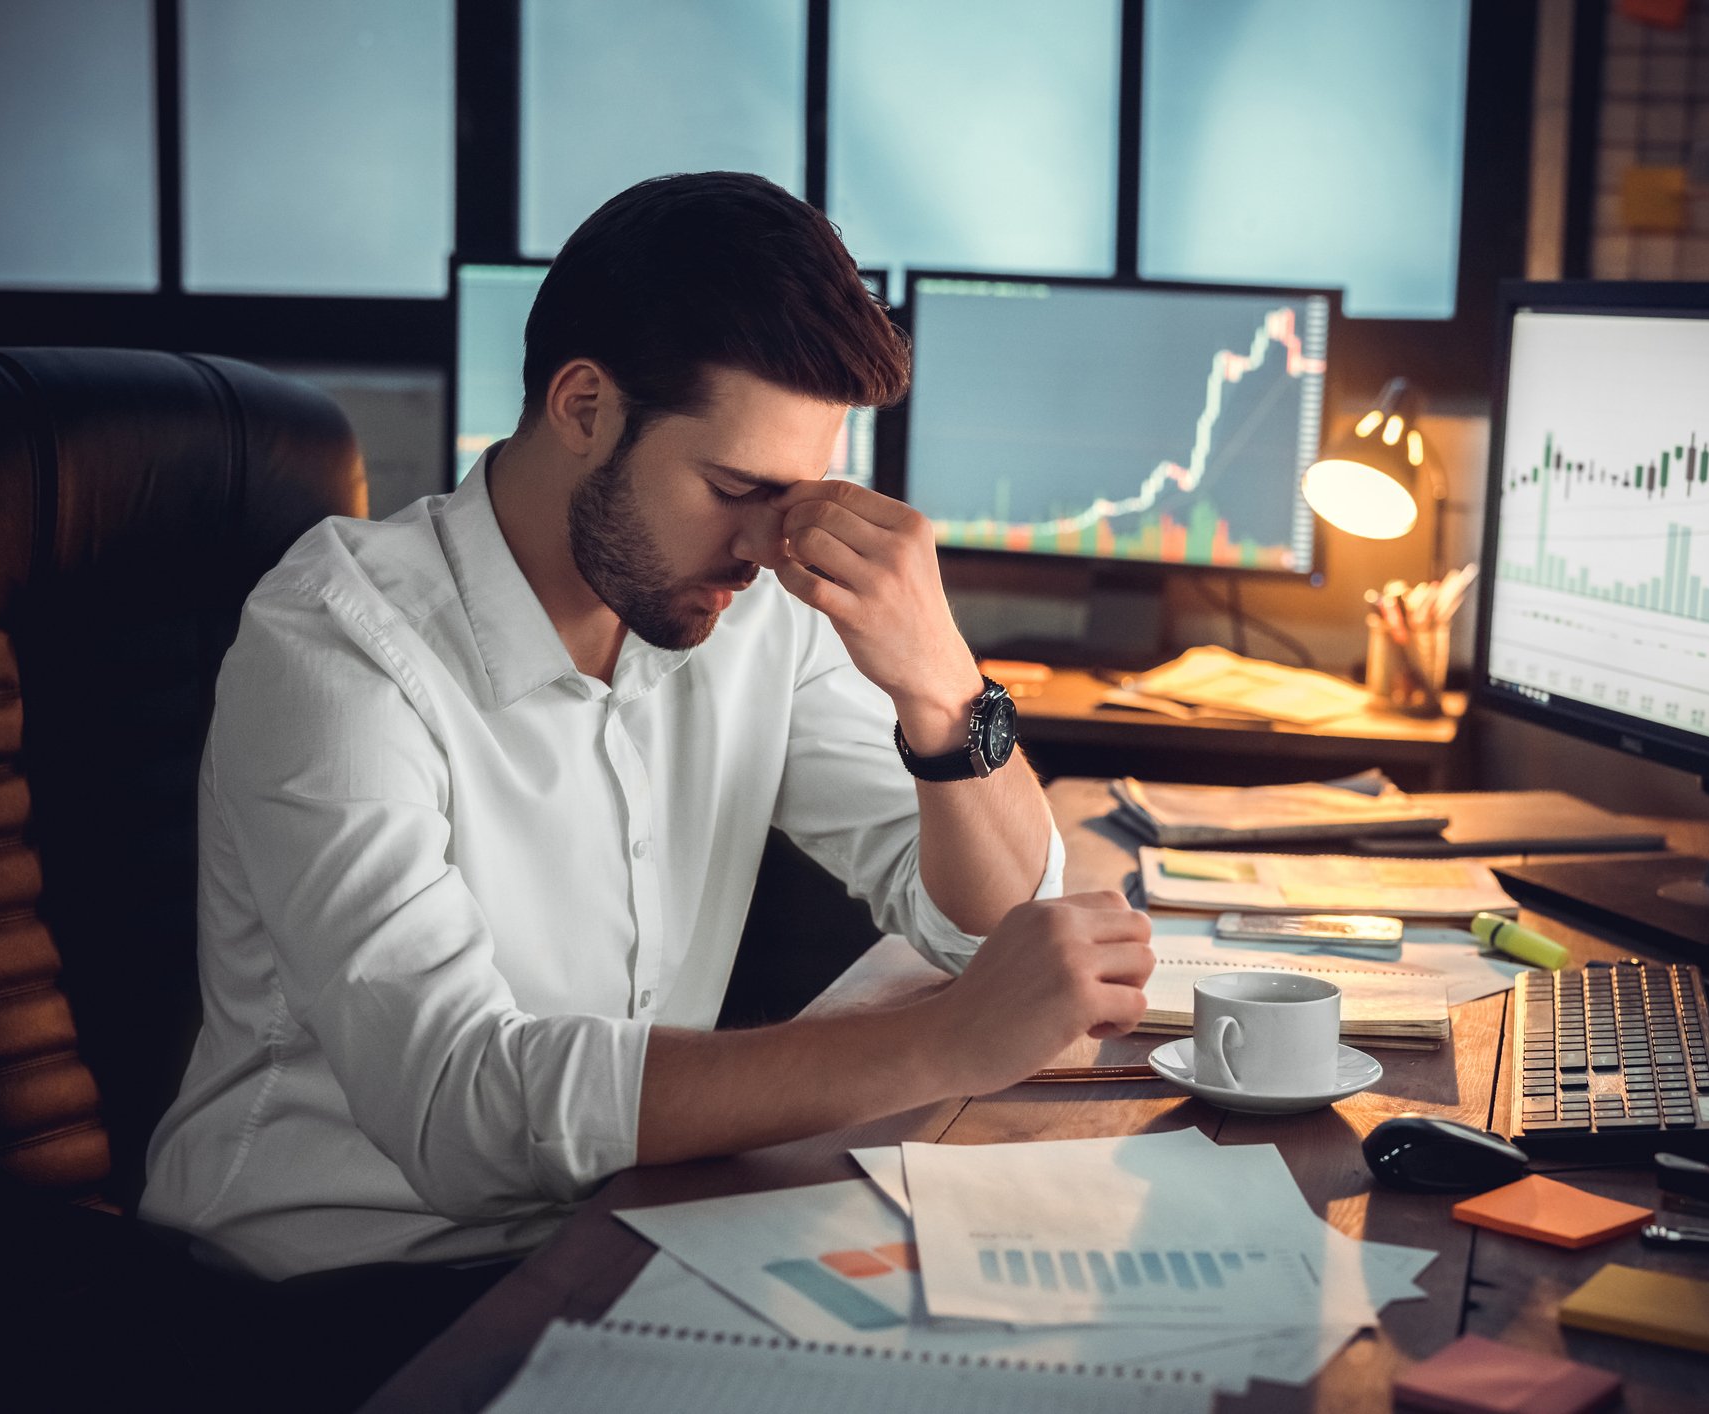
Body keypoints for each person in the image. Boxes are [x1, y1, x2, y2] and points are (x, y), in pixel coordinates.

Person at [141, 172, 1154, 1288]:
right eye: (734, 485)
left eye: (799, 496)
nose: (767, 546)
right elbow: (459, 1107)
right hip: (335, 1289)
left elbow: (993, 935)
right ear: (584, 408)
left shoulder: (754, 604)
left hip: (622, 1232)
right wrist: (940, 1042)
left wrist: (944, 684)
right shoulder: (335, 646)